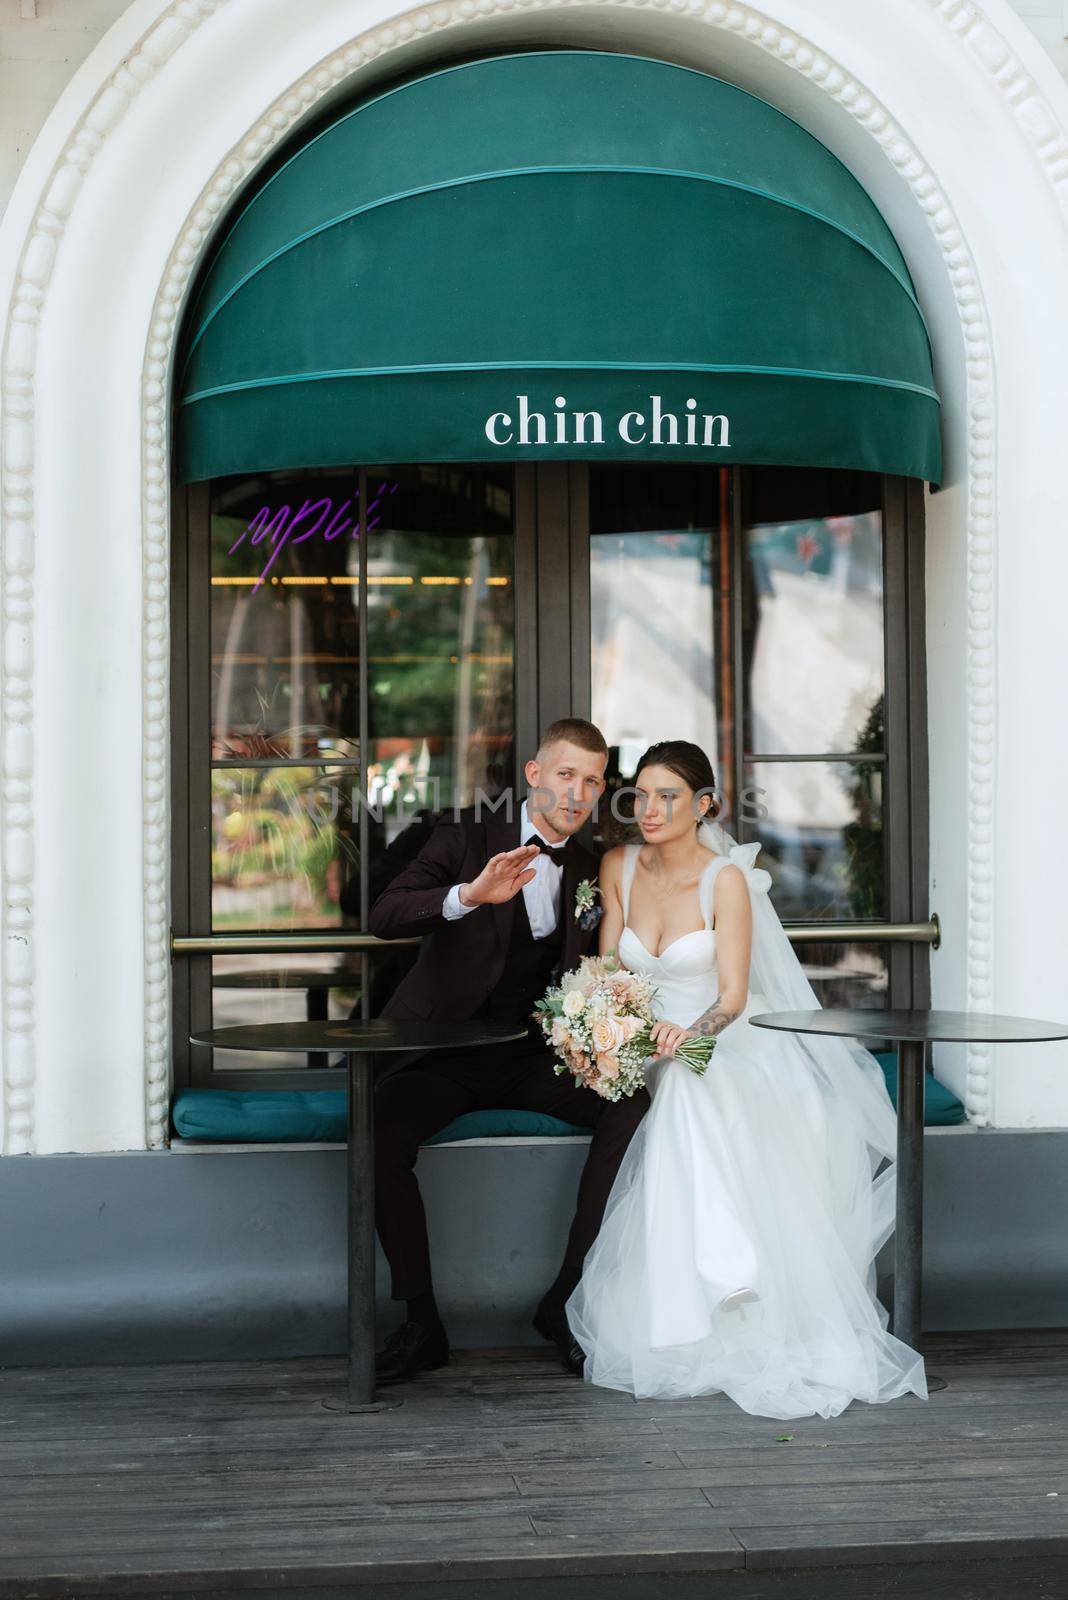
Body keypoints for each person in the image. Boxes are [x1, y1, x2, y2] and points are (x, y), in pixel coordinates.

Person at [565, 739, 929, 1420]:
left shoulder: (722, 880)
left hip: (718, 1036)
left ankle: (728, 1283)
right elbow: (608, 971)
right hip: (640, 1035)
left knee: (692, 1086)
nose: (649, 808)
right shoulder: (618, 866)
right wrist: (603, 1030)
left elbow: (731, 997)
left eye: (667, 796)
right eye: (640, 795)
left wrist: (687, 1037)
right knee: (676, 1083)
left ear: (705, 805)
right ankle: (717, 1278)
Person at [368, 718, 650, 1384]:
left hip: (531, 1059)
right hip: (442, 1055)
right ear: (533, 774)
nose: (579, 793)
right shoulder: (464, 835)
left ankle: (564, 1300)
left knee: (631, 1105)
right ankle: (420, 1322)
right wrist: (467, 897)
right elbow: (384, 915)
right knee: (378, 1131)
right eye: (565, 775)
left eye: (592, 780)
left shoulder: (590, 866)